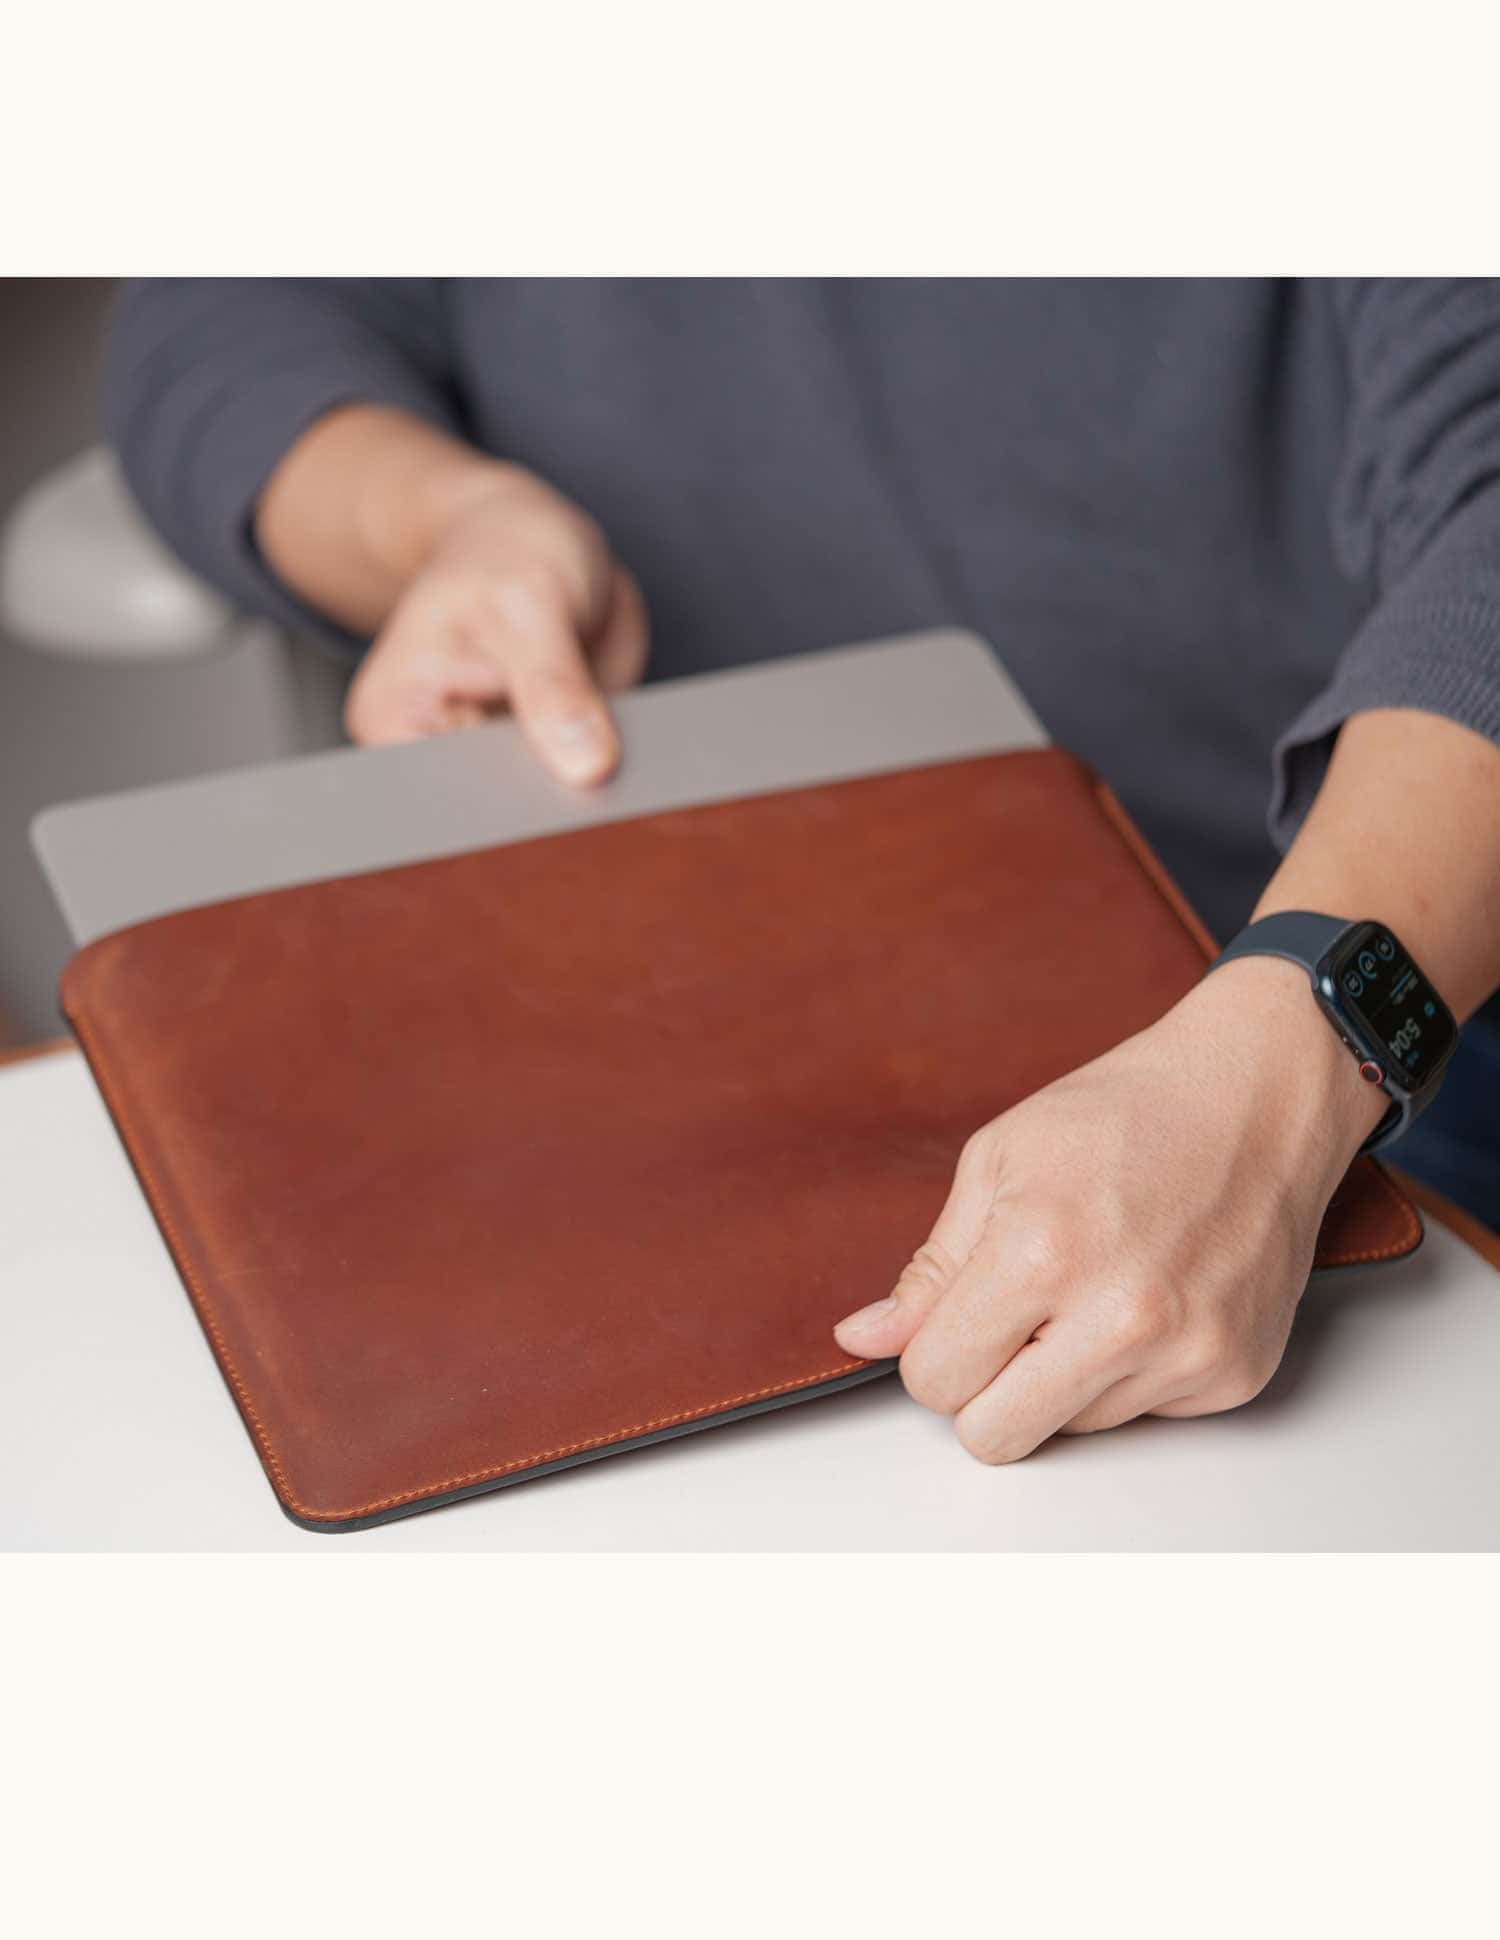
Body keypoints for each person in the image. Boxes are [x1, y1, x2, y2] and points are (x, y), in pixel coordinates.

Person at [105, 279, 1500, 1464]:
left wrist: (1298, 1044)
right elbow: (224, 317)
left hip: (1312, 956)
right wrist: (445, 524)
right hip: (663, 944)